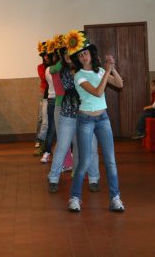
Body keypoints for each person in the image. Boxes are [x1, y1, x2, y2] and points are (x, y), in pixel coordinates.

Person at [66, 30, 125, 212]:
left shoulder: (100, 71)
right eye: (81, 54)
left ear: (92, 54)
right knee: (84, 160)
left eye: (86, 53)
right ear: (78, 58)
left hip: (103, 119)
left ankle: (115, 198)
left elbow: (120, 84)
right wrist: (106, 71)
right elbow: (99, 92)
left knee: (110, 160)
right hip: (85, 120)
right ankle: (74, 198)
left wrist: (111, 67)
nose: (84, 56)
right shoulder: (79, 76)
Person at [47, 42, 100, 193]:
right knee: (62, 147)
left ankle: (94, 179)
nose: (67, 56)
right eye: (65, 54)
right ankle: (53, 178)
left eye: (70, 53)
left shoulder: (85, 69)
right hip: (68, 113)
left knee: (92, 147)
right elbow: (70, 86)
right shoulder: (64, 71)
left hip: (87, 113)